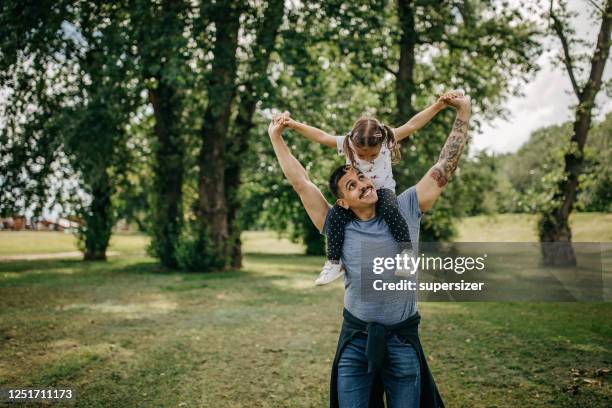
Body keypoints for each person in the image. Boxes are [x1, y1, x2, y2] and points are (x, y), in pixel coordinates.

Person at [267, 93, 472, 408]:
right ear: (343, 202)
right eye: (351, 185)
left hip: (403, 340)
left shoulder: (405, 206)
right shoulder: (336, 224)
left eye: (362, 176)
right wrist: (277, 136)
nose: (362, 183)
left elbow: (444, 167)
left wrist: (463, 112)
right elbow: (301, 183)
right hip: (356, 340)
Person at [277, 89, 464, 285]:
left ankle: (406, 253)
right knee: (336, 217)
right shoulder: (348, 143)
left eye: (371, 156)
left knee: (391, 210)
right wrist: (292, 124)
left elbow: (413, 124)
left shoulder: (387, 139)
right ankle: (333, 262)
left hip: (383, 192)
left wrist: (439, 105)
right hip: (359, 195)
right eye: (361, 155)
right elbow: (321, 136)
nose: (366, 159)